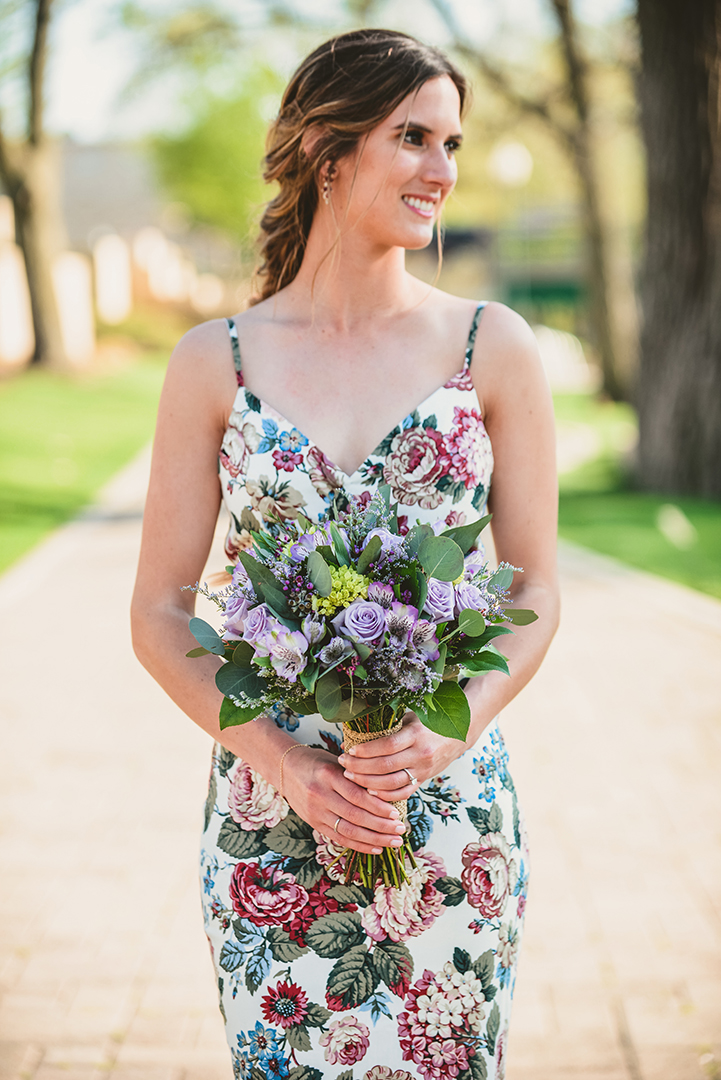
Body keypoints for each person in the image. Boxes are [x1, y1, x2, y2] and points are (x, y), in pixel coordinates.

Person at [131, 27, 559, 1080]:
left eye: (452, 143)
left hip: (445, 812)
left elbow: (535, 590)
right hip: (270, 823)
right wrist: (284, 766)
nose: (442, 172)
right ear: (328, 153)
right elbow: (157, 612)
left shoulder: (490, 345)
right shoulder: (213, 362)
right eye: (412, 137)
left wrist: (446, 742)